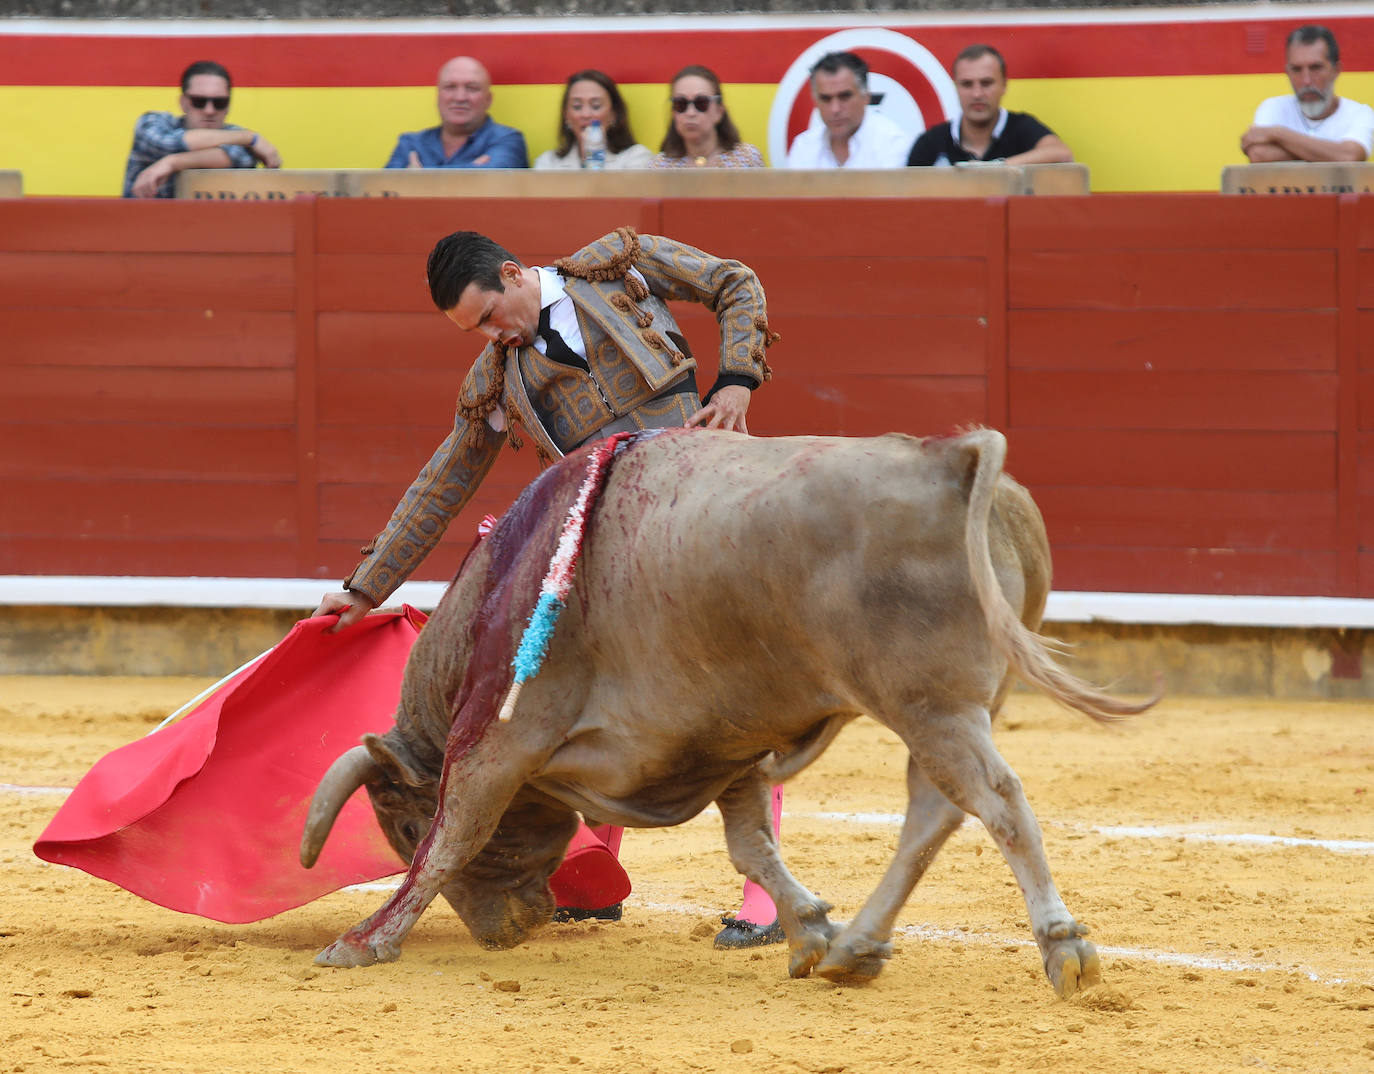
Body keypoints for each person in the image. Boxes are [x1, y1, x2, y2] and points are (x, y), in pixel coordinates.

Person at [311, 226, 784, 947]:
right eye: (473, 333)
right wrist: (366, 587)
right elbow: (446, 480)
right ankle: (593, 878)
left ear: (513, 274)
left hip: (704, 505)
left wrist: (737, 381)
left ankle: (765, 899)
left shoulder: (619, 266)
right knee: (587, 696)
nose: (492, 338)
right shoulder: (498, 377)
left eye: (491, 317)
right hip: (607, 547)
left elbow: (735, 280)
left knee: (732, 694)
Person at [122, 60, 281, 199]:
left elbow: (240, 159)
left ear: (228, 105)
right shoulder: (154, 122)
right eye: (199, 101)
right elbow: (166, 144)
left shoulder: (235, 135)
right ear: (183, 102)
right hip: (144, 228)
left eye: (219, 103)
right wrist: (250, 138)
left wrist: (172, 163)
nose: (209, 110)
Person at [908, 44, 1073, 168]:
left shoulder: (1022, 127)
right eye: (967, 84)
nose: (977, 94)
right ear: (956, 88)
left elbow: (1062, 155)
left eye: (986, 83)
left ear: (1004, 85)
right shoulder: (930, 143)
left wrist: (994, 169)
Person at [1241, 25, 1374, 164]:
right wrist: (1331, 153)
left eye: (1316, 68)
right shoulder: (1274, 107)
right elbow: (1258, 155)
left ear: (1336, 70)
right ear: (1287, 72)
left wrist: (1277, 134)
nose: (1306, 81)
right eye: (1297, 69)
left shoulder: (1359, 113)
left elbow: (1350, 156)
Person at [384, 56, 529, 169]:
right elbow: (385, 190)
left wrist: (418, 178)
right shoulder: (411, 143)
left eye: (472, 88)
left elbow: (493, 179)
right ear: (438, 96)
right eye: (450, 87)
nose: (460, 98)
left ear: (488, 99)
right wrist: (472, 171)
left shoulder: (509, 140)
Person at [783, 51, 912, 169]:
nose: (835, 109)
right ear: (815, 101)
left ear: (866, 96)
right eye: (826, 99)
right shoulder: (804, 146)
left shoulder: (892, 144)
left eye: (844, 97)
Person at [533, 69, 653, 170]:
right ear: (566, 115)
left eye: (596, 106)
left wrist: (594, 157)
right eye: (577, 106)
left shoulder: (638, 157)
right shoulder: (548, 163)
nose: (586, 114)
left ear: (614, 114)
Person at [651, 65, 764, 169]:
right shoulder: (660, 166)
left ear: (719, 111)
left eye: (701, 103)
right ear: (673, 113)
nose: (690, 113)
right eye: (681, 104)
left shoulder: (747, 159)